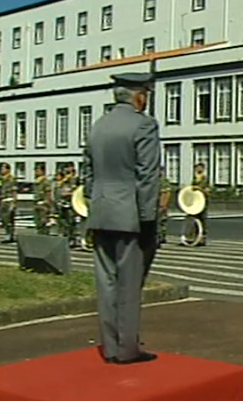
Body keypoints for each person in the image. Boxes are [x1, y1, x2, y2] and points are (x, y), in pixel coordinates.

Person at [83, 72, 161, 364]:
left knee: (106, 282)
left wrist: (95, 202)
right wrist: (147, 216)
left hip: (101, 210)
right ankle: (128, 348)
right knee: (129, 282)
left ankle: (110, 345)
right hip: (129, 213)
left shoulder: (98, 126)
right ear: (139, 96)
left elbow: (88, 172)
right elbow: (147, 175)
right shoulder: (144, 125)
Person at [57, 163, 79, 246]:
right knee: (63, 221)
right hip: (63, 203)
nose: (67, 169)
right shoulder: (64, 179)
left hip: (71, 203)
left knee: (71, 222)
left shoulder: (75, 179)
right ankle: (65, 236)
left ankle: (72, 238)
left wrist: (69, 193)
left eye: (68, 167)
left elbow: (77, 191)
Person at [0, 163, 18, 244]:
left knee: (9, 220)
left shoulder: (11, 179)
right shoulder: (1, 179)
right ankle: (7, 234)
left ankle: (9, 236)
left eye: (3, 169)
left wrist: (14, 202)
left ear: (8, 169)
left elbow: (14, 191)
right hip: (3, 200)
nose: (2, 171)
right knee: (4, 219)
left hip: (9, 200)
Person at [191, 163, 210, 246]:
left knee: (202, 219)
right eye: (197, 168)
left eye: (200, 168)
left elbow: (206, 189)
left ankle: (203, 238)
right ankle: (195, 237)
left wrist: (199, 188)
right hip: (195, 201)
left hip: (202, 201)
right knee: (194, 219)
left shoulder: (204, 178)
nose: (198, 169)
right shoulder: (195, 178)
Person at [33, 164, 54, 235]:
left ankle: (45, 235)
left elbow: (48, 193)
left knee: (44, 221)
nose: (36, 172)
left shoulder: (45, 181)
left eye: (37, 170)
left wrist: (47, 204)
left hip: (43, 203)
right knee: (37, 222)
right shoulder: (37, 181)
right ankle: (40, 234)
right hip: (36, 203)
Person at [158, 167, 173, 245]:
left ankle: (161, 236)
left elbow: (167, 193)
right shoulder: (154, 180)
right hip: (155, 203)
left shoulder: (164, 181)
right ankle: (159, 236)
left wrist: (164, 204)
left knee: (161, 221)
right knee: (158, 221)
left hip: (161, 204)